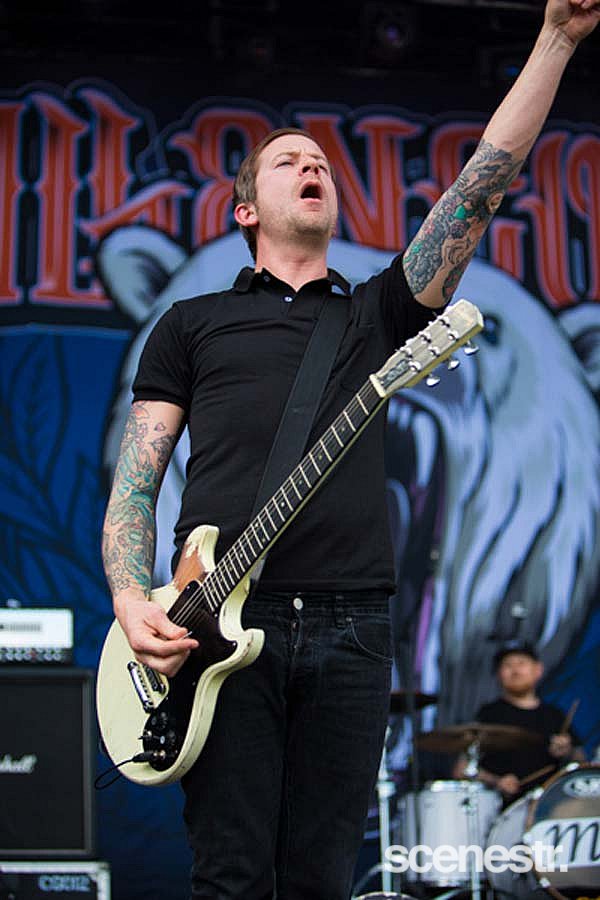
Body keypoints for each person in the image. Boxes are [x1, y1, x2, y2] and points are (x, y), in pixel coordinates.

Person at [101, 2, 599, 896]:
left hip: (353, 626)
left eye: (323, 165)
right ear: (246, 208)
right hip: (212, 620)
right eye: (290, 161)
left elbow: (480, 187)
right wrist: (132, 599)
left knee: (324, 879)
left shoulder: (375, 314)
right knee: (231, 874)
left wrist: (555, 40)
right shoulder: (190, 324)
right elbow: (138, 483)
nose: (313, 167)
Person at [453, 643, 586, 799]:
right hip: (500, 805)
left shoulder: (554, 715)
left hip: (548, 803)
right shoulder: (488, 715)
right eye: (508, 665)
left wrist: (567, 752)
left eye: (521, 663)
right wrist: (496, 781)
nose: (515, 671)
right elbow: (462, 769)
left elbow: (582, 766)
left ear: (538, 670)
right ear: (498, 674)